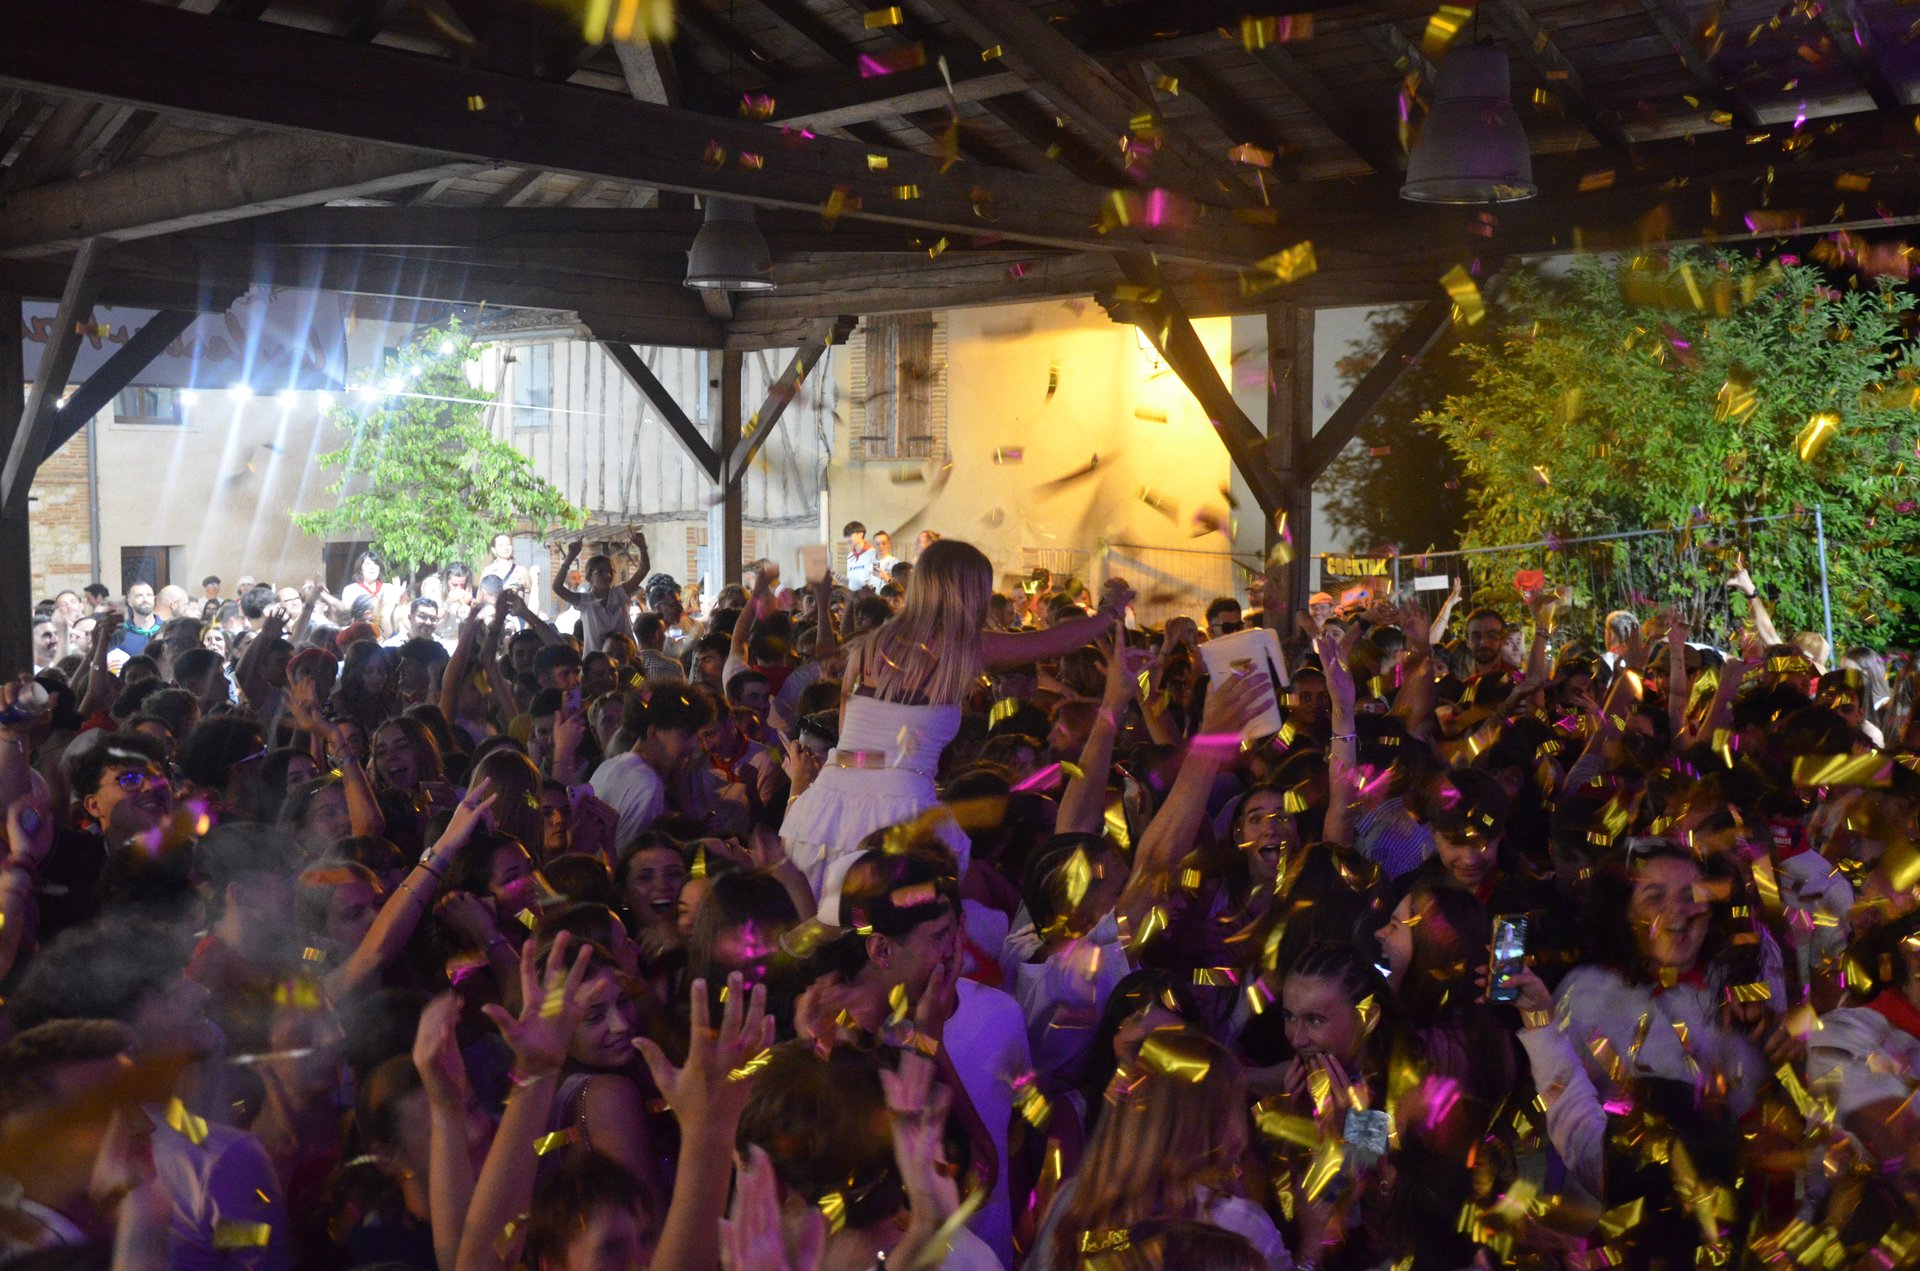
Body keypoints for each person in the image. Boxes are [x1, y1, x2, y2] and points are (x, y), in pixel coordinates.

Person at [780, 538, 1121, 907]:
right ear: (969, 592)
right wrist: (1110, 611)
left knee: (828, 930)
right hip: (900, 811)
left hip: (827, 807)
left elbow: (848, 746)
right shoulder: (962, 648)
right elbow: (1053, 641)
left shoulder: (870, 647)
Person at [554, 529, 650, 651]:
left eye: (610, 571)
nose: (608, 576)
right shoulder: (585, 601)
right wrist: (569, 558)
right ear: (589, 578)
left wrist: (642, 548)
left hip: (626, 660)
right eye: (600, 572)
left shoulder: (619, 594)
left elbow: (644, 569)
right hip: (595, 663)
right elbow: (557, 587)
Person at [110, 581, 162, 657]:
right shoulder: (119, 634)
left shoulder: (167, 629)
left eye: (149, 595)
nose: (145, 600)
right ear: (129, 601)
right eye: (139, 596)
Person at [844, 520, 877, 593]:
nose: (847, 540)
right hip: (853, 598)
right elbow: (850, 579)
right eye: (846, 537)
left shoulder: (874, 553)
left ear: (860, 535)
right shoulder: (850, 556)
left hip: (868, 597)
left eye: (850, 536)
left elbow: (877, 578)